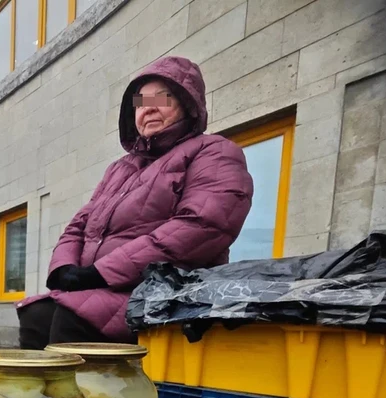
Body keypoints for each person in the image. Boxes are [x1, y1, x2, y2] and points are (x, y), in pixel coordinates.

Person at [18, 56, 254, 347]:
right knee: (36, 314)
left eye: (162, 98)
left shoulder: (214, 152)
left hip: (165, 291)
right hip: (103, 289)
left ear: (187, 104)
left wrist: (100, 273)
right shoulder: (120, 168)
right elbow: (80, 223)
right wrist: (64, 269)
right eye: (141, 103)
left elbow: (202, 226)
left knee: (73, 320)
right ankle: (35, 393)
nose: (149, 108)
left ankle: (80, 394)